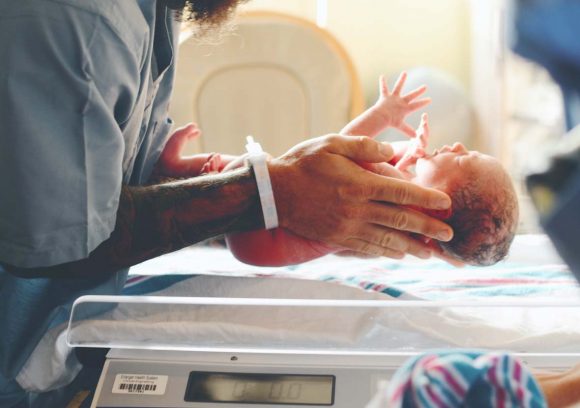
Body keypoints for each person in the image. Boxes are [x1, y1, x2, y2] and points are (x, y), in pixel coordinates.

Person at [0, 1, 454, 406]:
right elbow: (65, 237)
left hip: (60, 340)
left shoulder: (153, 14)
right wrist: (268, 192)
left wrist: (162, 177)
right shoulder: (82, 21)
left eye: (463, 162)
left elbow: (81, 183)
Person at [217, 76, 519, 267]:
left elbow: (340, 152)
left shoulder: (394, 194)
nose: (458, 146)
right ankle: (184, 167)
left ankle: (189, 170)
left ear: (440, 206)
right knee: (234, 166)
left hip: (263, 232)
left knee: (241, 166)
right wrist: (409, 157)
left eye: (464, 160)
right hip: (260, 246)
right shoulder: (405, 223)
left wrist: (382, 115)